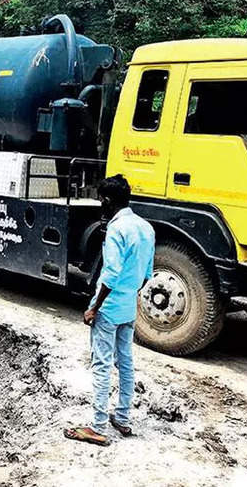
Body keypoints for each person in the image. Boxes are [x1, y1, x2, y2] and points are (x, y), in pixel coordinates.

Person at [65, 174, 154, 447]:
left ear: (107, 200)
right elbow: (147, 274)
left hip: (110, 307)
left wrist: (95, 308)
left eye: (101, 199)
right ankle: (123, 418)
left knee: (102, 364)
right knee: (125, 362)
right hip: (128, 307)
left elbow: (111, 274)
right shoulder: (145, 227)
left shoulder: (117, 229)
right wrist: (129, 295)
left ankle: (97, 425)